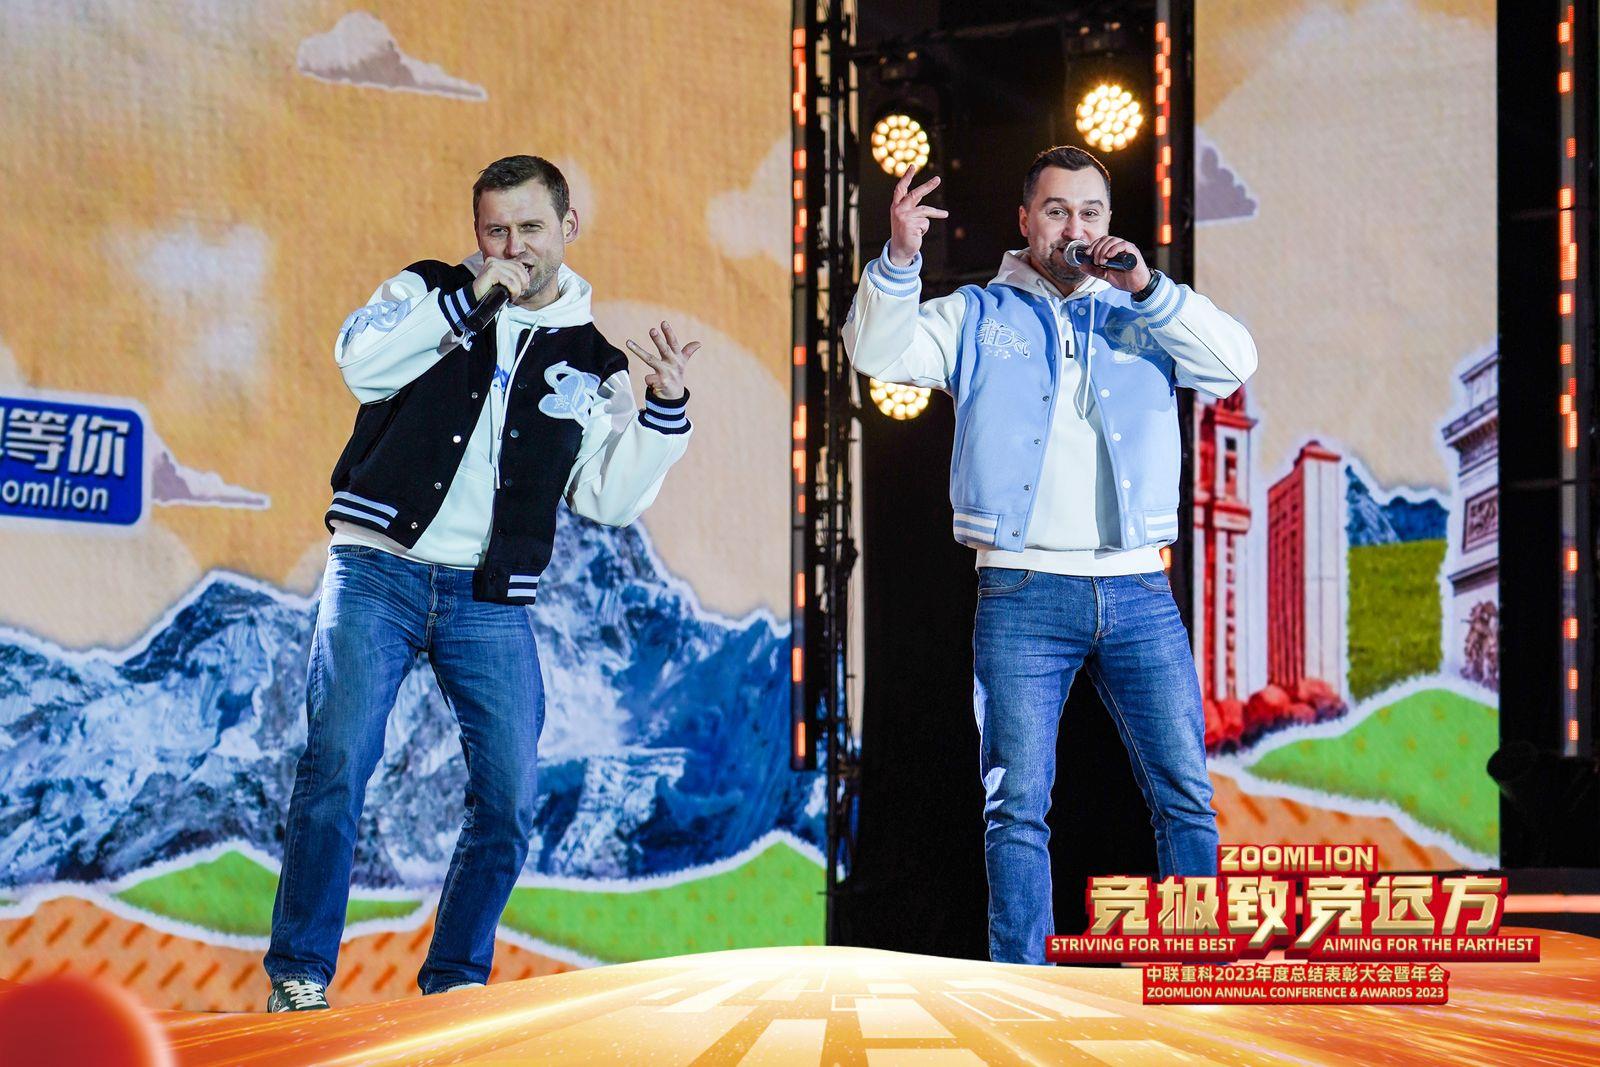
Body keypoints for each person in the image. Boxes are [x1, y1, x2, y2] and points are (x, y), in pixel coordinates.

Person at [263, 155, 698, 1010]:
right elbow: (362, 365)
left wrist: (663, 410)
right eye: (496, 230)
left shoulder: (593, 360)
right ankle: (301, 973)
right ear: (477, 233)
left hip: (488, 599)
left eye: (531, 228)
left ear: (568, 228)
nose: (514, 247)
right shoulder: (427, 292)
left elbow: (606, 498)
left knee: (507, 799)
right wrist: (467, 302)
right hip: (376, 569)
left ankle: (455, 986)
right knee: (337, 762)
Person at [843, 145, 1257, 965]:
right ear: (1025, 220)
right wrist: (898, 259)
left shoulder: (1144, 308)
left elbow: (1234, 364)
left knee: (1185, 796)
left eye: (1090, 212)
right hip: (1023, 588)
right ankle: (1021, 987)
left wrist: (1148, 288)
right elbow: (878, 354)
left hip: (1137, 588)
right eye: (1058, 210)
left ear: (1109, 223)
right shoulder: (977, 313)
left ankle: (1204, 976)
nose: (1075, 227)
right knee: (1017, 806)